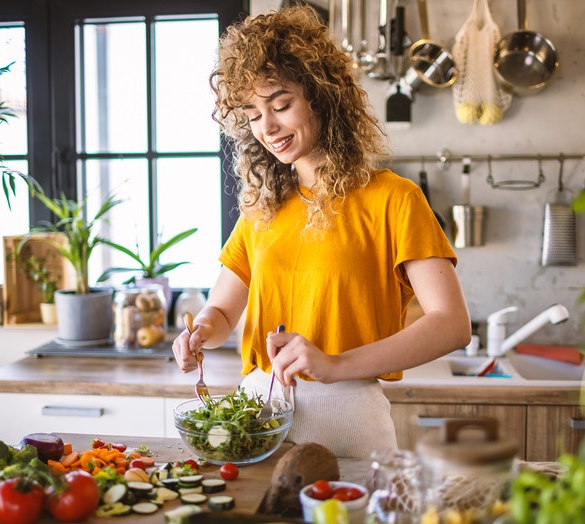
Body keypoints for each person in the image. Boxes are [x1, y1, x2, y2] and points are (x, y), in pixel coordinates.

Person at [171, 5, 470, 458]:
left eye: (281, 104)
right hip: (256, 413)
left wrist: (334, 365)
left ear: (322, 96)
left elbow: (452, 325)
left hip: (347, 413)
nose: (267, 128)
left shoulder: (394, 198)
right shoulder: (261, 207)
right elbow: (222, 313)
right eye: (252, 114)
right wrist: (199, 334)